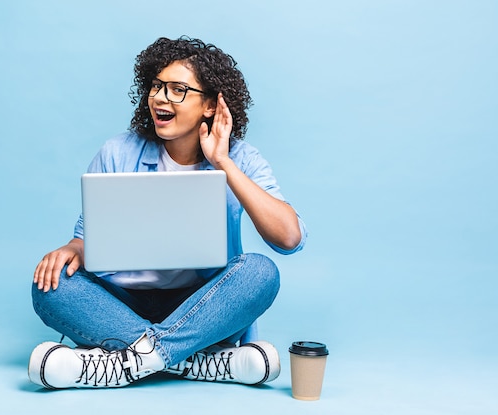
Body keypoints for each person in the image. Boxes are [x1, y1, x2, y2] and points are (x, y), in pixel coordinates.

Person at [28, 36, 307, 389]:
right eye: (157, 86)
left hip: (199, 305)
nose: (160, 97)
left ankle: (124, 361)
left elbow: (288, 237)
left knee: (260, 272)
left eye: (177, 89)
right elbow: (88, 239)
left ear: (210, 105)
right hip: (120, 304)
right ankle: (195, 361)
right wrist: (73, 248)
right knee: (50, 286)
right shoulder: (117, 152)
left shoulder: (241, 159)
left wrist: (221, 162)